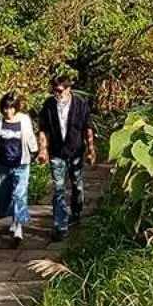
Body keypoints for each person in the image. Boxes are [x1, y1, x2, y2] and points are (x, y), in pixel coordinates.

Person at [36, 67, 95, 241]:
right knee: (58, 188)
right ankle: (60, 225)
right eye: (54, 91)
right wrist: (42, 149)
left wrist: (91, 150)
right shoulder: (49, 105)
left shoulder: (80, 105)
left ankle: (76, 213)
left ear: (68, 89)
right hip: (56, 152)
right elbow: (43, 129)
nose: (57, 94)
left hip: (75, 151)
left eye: (60, 90)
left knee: (77, 184)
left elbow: (88, 128)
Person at [0, 91, 39, 248]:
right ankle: (13, 219)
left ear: (16, 108)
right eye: (6, 108)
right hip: (3, 163)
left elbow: (29, 137)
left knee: (19, 194)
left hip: (21, 162)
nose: (9, 112)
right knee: (5, 194)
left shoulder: (24, 120)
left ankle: (18, 227)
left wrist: (36, 151)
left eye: (11, 108)